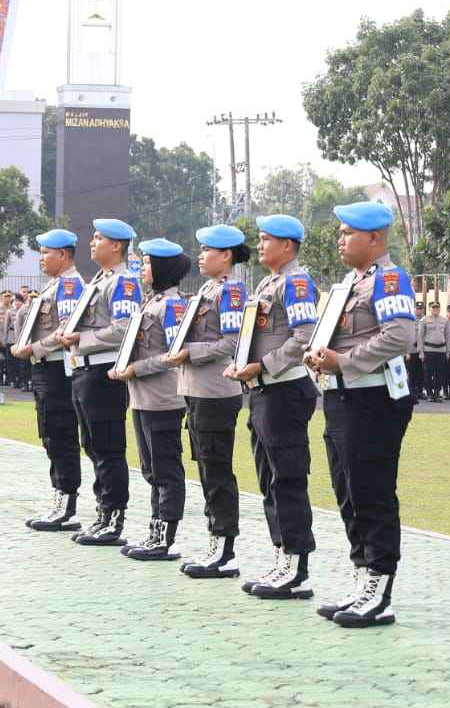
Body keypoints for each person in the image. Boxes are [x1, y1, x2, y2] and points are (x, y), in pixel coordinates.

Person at [305, 200, 417, 628]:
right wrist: (316, 355)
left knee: (371, 493)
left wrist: (344, 360)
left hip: (373, 401)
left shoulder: (388, 279)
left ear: (374, 238)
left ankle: (379, 590)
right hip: (341, 397)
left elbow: (400, 336)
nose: (340, 239)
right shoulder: (348, 285)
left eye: (348, 232)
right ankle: (361, 579)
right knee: (348, 492)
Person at [225, 214, 320, 601]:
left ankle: (295, 566)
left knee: (287, 478)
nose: (260, 245)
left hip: (284, 389)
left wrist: (262, 365)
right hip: (263, 391)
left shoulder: (297, 283)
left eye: (266, 239)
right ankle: (281, 555)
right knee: (269, 479)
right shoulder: (268, 282)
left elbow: (305, 337)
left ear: (287, 245)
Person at [166, 224, 250, 579]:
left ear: (226, 255)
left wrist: (189, 352)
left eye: (207, 250)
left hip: (216, 392)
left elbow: (231, 343)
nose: (200, 255)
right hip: (196, 391)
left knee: (217, 470)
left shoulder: (230, 292)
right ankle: (214, 540)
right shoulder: (206, 289)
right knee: (205, 469)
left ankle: (224, 547)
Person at [57, 218, 142, 547]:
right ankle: (103, 513)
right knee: (92, 446)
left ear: (117, 246)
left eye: (98, 238)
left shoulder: (124, 282)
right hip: (84, 371)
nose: (92, 243)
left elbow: (124, 328)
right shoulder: (100, 280)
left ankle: (114, 517)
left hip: (104, 372)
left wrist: (83, 338)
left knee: (108, 448)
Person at [109, 239, 191, 561]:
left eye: (146, 263)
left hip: (163, 398)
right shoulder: (151, 302)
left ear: (161, 269)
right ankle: (155, 530)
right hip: (142, 398)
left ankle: (164, 537)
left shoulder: (172, 306)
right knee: (150, 469)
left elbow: (173, 355)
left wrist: (135, 368)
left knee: (166, 469)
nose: (141, 269)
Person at [13, 229, 85, 531]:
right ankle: (59, 498)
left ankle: (66, 504)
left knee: (61, 436)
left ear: (63, 255)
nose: (41, 258)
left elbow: (66, 330)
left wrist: (34, 348)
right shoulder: (53, 286)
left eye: (46, 252)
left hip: (58, 370)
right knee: (50, 435)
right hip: (44, 369)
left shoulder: (69, 286)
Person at [420, 301, 449, 401]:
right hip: (429, 350)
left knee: (440, 373)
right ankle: (429, 393)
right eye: (433, 308)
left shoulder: (445, 320)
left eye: (437, 308)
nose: (435, 310)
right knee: (428, 373)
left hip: (441, 350)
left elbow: (447, 336)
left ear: (439, 309)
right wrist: (421, 352)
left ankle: (437, 393)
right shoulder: (424, 320)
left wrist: (448, 352)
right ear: (429, 309)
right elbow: (420, 337)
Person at [407, 301, 426, 400]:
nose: (419, 310)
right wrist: (407, 352)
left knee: (421, 373)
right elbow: (406, 336)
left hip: (422, 350)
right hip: (412, 350)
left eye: (421, 308)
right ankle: (412, 392)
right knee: (412, 372)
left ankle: (420, 391)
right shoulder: (410, 319)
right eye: (418, 308)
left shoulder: (426, 320)